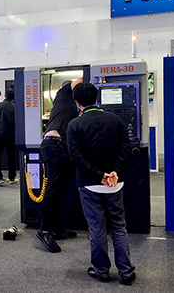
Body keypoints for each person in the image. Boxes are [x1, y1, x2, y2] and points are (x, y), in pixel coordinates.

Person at [67, 82, 136, 286]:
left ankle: (101, 271)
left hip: (89, 184)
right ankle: (126, 272)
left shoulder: (74, 125)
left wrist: (99, 175)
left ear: (77, 103)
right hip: (115, 183)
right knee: (119, 226)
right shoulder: (114, 119)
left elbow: (76, 158)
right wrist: (114, 172)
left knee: (97, 228)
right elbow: (126, 147)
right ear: (96, 99)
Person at [36, 78, 81, 253]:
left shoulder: (70, 107)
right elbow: (79, 81)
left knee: (60, 190)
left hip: (60, 146)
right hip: (54, 146)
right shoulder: (63, 93)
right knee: (53, 190)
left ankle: (56, 229)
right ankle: (44, 231)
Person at [0, 89, 16, 186]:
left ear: (5, 95)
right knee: (11, 156)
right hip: (11, 135)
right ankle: (12, 177)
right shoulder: (14, 107)